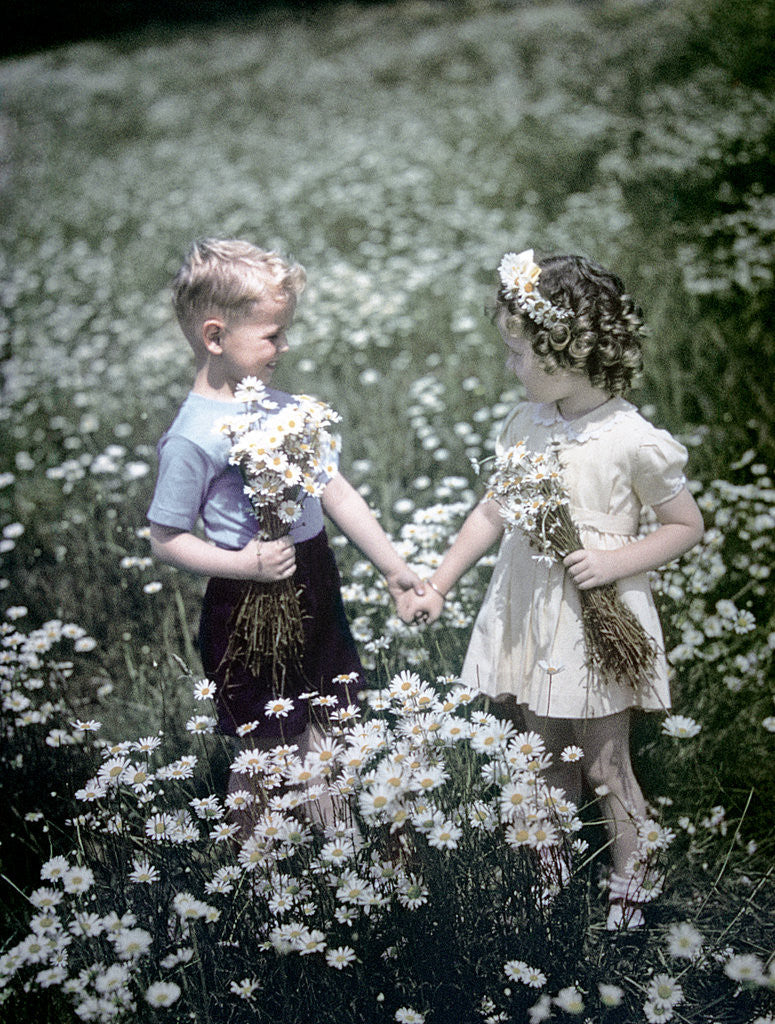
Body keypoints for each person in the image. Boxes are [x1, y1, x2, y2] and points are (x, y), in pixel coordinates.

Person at [398, 249, 704, 928]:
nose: (510, 368)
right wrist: (439, 582)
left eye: (518, 354)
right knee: (544, 760)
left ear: (569, 350)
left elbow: (685, 524)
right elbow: (492, 509)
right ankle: (552, 871)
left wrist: (615, 560)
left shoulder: (632, 440)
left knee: (603, 767)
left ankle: (633, 870)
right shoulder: (525, 423)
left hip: (594, 619)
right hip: (533, 609)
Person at [147, 237, 425, 829]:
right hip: (247, 599)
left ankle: (339, 851)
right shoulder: (193, 436)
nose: (285, 345)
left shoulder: (287, 409)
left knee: (333, 725)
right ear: (215, 337)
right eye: (272, 335)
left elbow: (337, 492)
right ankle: (252, 868)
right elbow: (166, 536)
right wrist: (245, 564)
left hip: (315, 581)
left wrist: (395, 569)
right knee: (264, 746)